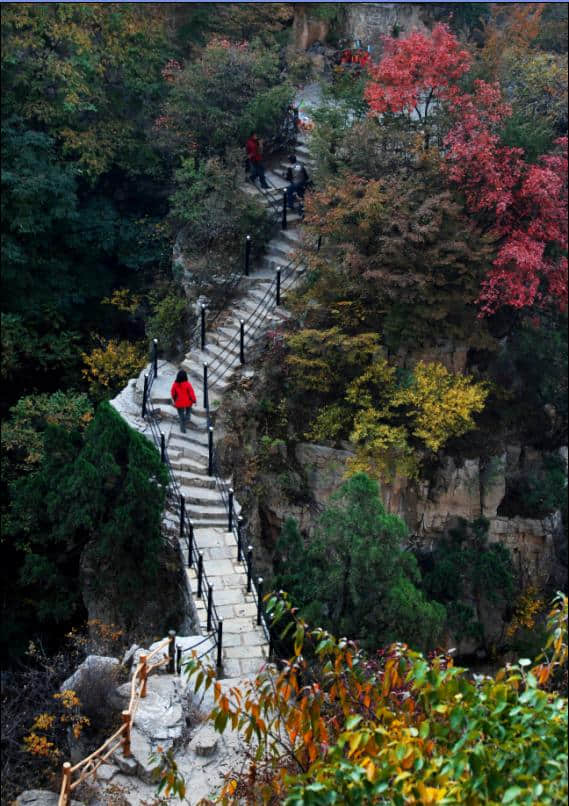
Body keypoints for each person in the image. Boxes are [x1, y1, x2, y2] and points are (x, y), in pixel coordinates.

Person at [170, 369, 197, 433]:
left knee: (181, 416)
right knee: (188, 413)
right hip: (188, 402)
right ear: (185, 376)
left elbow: (172, 392)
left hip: (179, 403)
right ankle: (187, 419)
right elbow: (191, 393)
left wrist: (174, 399)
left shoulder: (175, 384)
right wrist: (194, 401)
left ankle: (183, 429)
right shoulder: (188, 384)